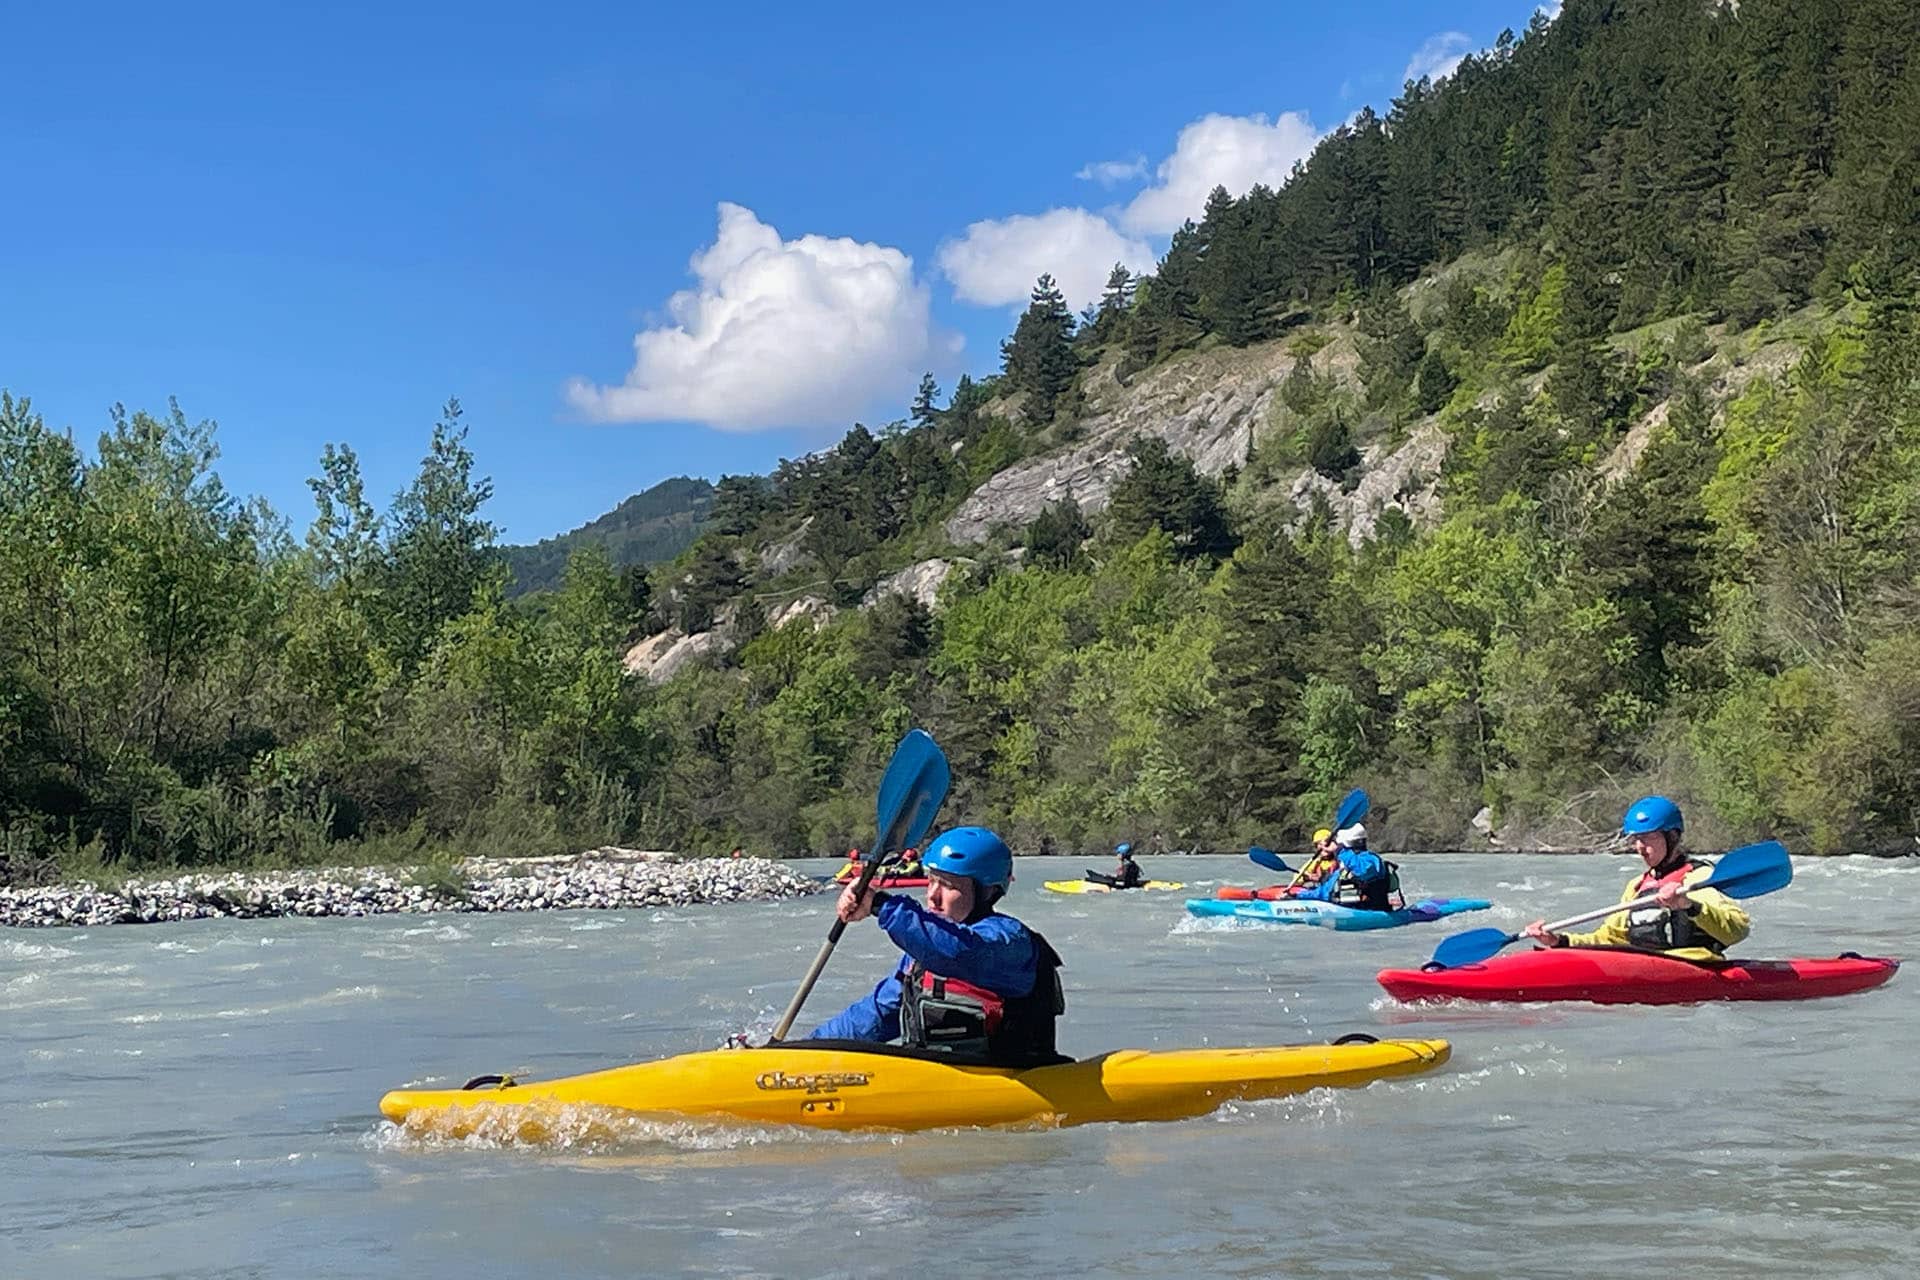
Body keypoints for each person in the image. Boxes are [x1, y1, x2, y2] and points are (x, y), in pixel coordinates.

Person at [806, 826, 1066, 1065]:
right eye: (931, 881)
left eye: (949, 886)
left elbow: (959, 952)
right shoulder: (924, 953)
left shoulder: (1009, 942)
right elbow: (876, 1014)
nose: (933, 896)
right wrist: (808, 1051)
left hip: (1013, 1078)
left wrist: (880, 905)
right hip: (940, 1080)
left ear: (987, 892)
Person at [1524, 796, 1750, 956]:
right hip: (1646, 966)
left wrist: (1688, 905)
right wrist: (1559, 941)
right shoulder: (1637, 886)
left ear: (1672, 837)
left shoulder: (1698, 878)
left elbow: (1737, 930)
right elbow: (1609, 939)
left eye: (1649, 838)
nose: (1640, 847)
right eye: (1636, 839)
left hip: (1695, 967)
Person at [1295, 823, 1395, 911]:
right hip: (1345, 909)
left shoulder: (1372, 860)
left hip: (1373, 911)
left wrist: (1340, 850)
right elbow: (1325, 892)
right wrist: (1299, 895)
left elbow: (1362, 871)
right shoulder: (1343, 867)